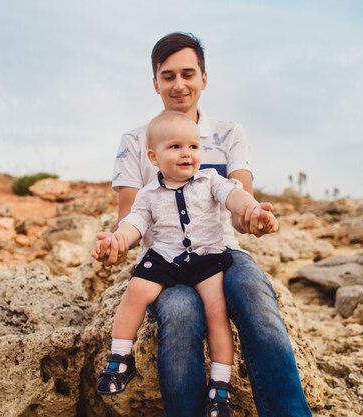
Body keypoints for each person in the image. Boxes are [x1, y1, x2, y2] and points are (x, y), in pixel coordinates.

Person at [99, 32, 313, 417]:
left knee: (254, 296)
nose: (179, 84)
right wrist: (114, 245)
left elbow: (239, 203)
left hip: (221, 252)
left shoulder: (229, 134)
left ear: (204, 78)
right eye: (168, 76)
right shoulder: (135, 141)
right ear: (155, 83)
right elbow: (129, 219)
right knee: (181, 313)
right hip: (164, 260)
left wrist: (255, 217)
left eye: (188, 73)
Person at [93, 111, 275, 416]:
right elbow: (133, 224)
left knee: (216, 314)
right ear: (153, 156)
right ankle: (120, 358)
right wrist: (117, 240)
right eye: (175, 147)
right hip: (165, 259)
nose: (187, 153)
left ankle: (220, 385)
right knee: (135, 291)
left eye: (193, 146)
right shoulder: (149, 194)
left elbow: (235, 196)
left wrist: (254, 210)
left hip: (206, 259)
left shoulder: (210, 180)